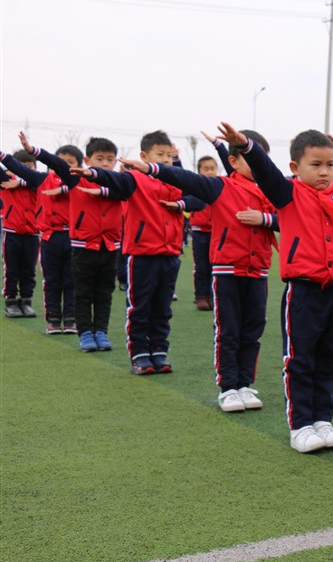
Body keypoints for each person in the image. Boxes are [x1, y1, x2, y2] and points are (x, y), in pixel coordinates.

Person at [218, 122, 333, 452]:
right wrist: (245, 145)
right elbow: (264, 170)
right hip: (303, 293)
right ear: (295, 167)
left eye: (330, 165)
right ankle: (301, 425)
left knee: (329, 359)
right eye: (316, 164)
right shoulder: (287, 193)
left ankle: (323, 420)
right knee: (300, 359)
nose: (325, 172)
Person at [119, 130, 278, 412]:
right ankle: (228, 388)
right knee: (228, 331)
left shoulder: (272, 190)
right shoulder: (219, 186)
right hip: (228, 270)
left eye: (262, 159)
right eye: (251, 159)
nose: (258, 165)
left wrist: (264, 218)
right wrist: (152, 168)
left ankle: (244, 384)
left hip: (259, 271)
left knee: (252, 330)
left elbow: (289, 217)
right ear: (233, 161)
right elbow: (184, 178)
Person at [70, 131, 203, 375]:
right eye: (159, 154)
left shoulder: (176, 182)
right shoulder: (135, 179)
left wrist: (181, 204)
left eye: (169, 155)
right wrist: (93, 173)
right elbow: (113, 179)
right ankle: (140, 354)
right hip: (142, 255)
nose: (166, 159)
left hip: (170, 255)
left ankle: (159, 351)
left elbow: (201, 196)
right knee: (140, 307)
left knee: (163, 308)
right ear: (144, 156)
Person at [23, 137, 121, 351]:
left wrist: (104, 191)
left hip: (110, 246)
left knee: (104, 293)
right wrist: (34, 151)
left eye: (110, 159)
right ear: (87, 160)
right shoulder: (76, 179)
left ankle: (101, 332)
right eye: (100, 159)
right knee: (82, 291)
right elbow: (57, 163)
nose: (105, 163)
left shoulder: (120, 181)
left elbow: (134, 186)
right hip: (83, 245)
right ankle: (85, 332)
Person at [3, 137, 82, 333]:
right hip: (48, 237)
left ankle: (70, 318)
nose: (63, 166)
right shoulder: (41, 180)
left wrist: (61, 188)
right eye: (59, 162)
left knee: (70, 280)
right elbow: (17, 169)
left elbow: (80, 185)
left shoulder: (77, 181)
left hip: (72, 238)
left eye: (70, 163)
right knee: (50, 280)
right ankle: (52, 319)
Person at [0, 149, 42, 318]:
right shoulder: (5, 181)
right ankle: (11, 302)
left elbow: (36, 181)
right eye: (21, 166)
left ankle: (26, 301)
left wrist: (20, 182)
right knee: (11, 270)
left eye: (29, 166)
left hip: (33, 233)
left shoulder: (37, 182)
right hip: (12, 233)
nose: (25, 169)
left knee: (29, 270)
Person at [189, 155, 219, 311]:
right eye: (206, 169)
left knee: (215, 266)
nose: (210, 172)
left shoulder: (220, 186)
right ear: (199, 171)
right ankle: (201, 296)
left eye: (212, 168)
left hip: (216, 232)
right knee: (201, 266)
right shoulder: (195, 186)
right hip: (199, 232)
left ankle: (213, 297)